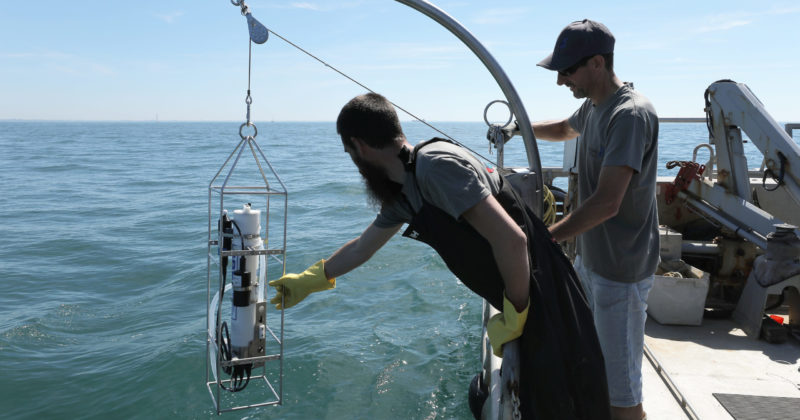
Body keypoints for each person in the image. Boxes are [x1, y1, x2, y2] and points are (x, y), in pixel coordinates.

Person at [269, 92, 611, 419]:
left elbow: (512, 241)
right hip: (521, 292)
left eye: (350, 154)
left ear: (358, 146)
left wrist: (515, 314)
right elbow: (362, 246)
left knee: (570, 401)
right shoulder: (404, 190)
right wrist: (310, 280)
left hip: (544, 294)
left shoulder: (436, 168)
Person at [505, 19, 659, 420]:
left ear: (596, 63)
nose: (561, 81)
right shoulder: (595, 106)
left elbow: (607, 203)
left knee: (623, 392)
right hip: (592, 260)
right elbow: (561, 128)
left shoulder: (628, 115)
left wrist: (544, 237)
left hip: (620, 270)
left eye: (567, 70)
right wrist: (516, 128)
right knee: (596, 365)